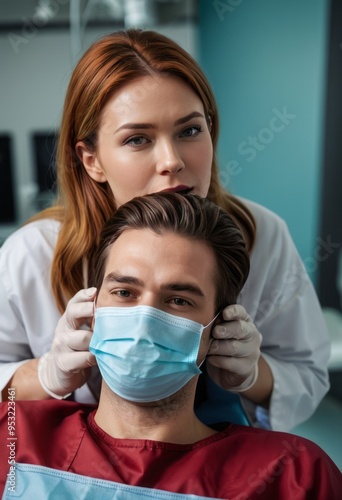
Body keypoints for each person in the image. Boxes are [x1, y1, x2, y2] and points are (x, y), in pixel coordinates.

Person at [0, 29, 330, 431]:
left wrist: (251, 373)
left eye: (189, 130)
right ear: (92, 160)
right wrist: (48, 375)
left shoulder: (262, 236)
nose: (171, 161)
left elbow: (309, 377)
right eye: (138, 139)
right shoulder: (30, 256)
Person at [0, 193, 340, 500]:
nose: (145, 319)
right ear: (91, 309)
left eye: (178, 300)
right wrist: (45, 373)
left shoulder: (294, 475)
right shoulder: (12, 437)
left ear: (219, 330)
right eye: (124, 293)